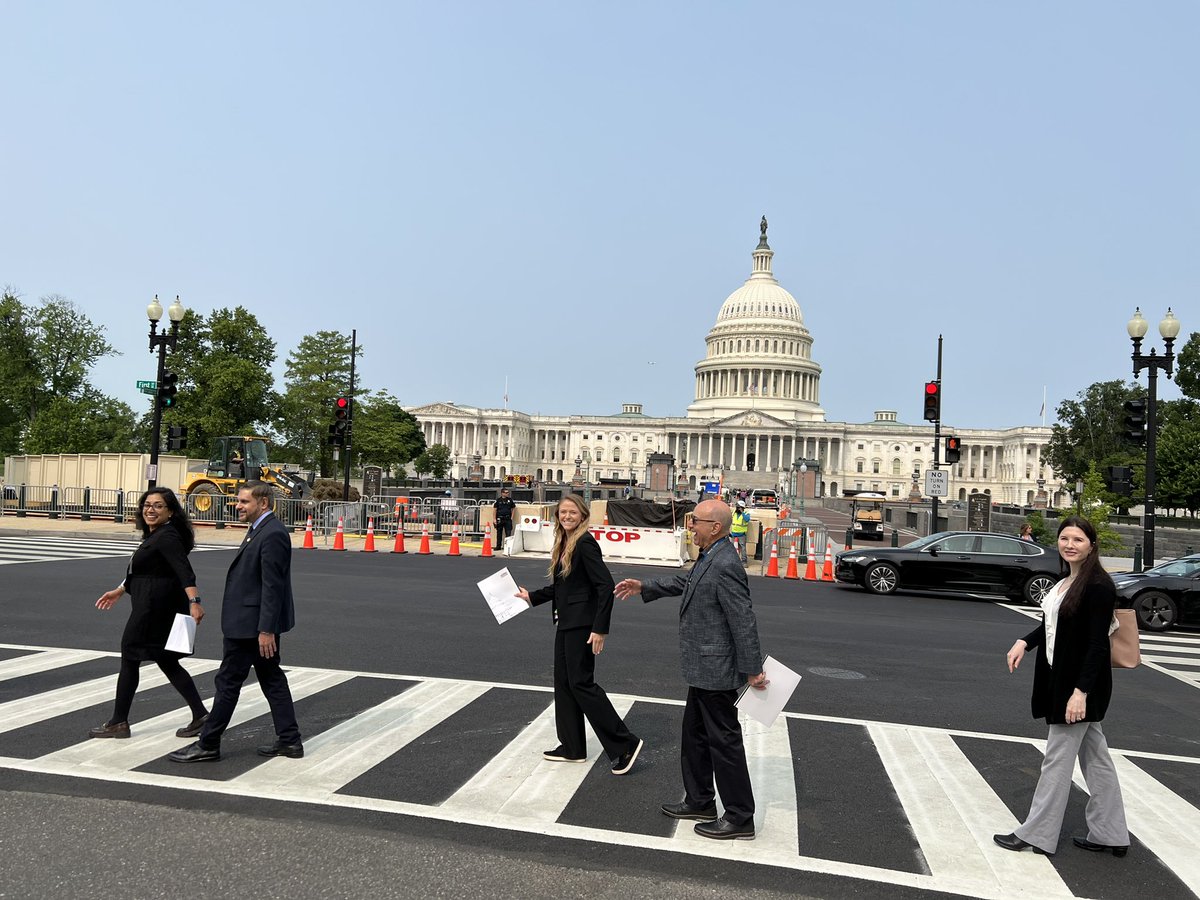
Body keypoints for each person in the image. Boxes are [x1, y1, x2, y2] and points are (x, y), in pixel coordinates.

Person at [614, 499, 768, 840]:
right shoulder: (712, 555)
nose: (690, 526)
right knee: (694, 737)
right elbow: (689, 584)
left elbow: (743, 619)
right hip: (703, 668)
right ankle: (700, 799)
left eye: (695, 521)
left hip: (717, 670)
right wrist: (646, 587)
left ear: (714, 526)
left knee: (724, 743)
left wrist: (753, 668)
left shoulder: (726, 563)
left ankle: (740, 816)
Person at [993, 516, 1129, 857]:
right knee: (1097, 761)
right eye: (1065, 538)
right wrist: (1024, 642)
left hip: (1079, 687)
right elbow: (1052, 627)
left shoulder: (1098, 586)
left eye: (1078, 539)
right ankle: (1110, 834)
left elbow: (1098, 644)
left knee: (1056, 761)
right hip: (1063, 681)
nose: (1070, 544)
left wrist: (1080, 693)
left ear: (1092, 545)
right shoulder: (1067, 581)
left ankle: (1037, 833)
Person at [170, 481, 302, 763]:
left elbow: (272, 586)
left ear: (263, 503)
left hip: (251, 627)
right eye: (238, 501)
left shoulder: (272, 534)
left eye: (244, 502)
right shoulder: (260, 530)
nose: (237, 506)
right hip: (253, 624)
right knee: (271, 679)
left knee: (228, 681)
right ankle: (290, 740)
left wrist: (266, 629)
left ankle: (209, 742)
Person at [514, 493, 643, 775]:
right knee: (564, 682)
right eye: (563, 513)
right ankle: (572, 746)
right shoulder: (565, 543)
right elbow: (563, 588)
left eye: (572, 512)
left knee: (582, 684)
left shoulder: (584, 543)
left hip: (583, 625)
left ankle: (625, 744)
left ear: (583, 515)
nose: (567, 517)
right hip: (567, 622)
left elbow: (604, 586)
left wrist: (600, 629)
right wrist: (531, 597)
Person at [91, 487, 208, 739]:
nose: (150, 510)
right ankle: (200, 715)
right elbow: (146, 570)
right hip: (155, 604)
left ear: (170, 512)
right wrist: (120, 589)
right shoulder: (158, 535)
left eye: (157, 506)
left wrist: (195, 601)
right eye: (147, 505)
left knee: (130, 657)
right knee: (166, 660)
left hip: (154, 608)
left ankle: (118, 722)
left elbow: (184, 570)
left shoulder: (166, 537)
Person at [493, 486, 517, 551]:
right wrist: (494, 519)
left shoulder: (510, 500)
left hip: (507, 519)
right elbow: (495, 509)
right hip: (500, 519)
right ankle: (498, 546)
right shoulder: (498, 500)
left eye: (508, 492)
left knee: (508, 533)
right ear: (502, 493)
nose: (507, 494)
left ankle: (507, 547)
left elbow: (513, 508)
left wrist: (512, 517)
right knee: (499, 533)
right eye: (506, 492)